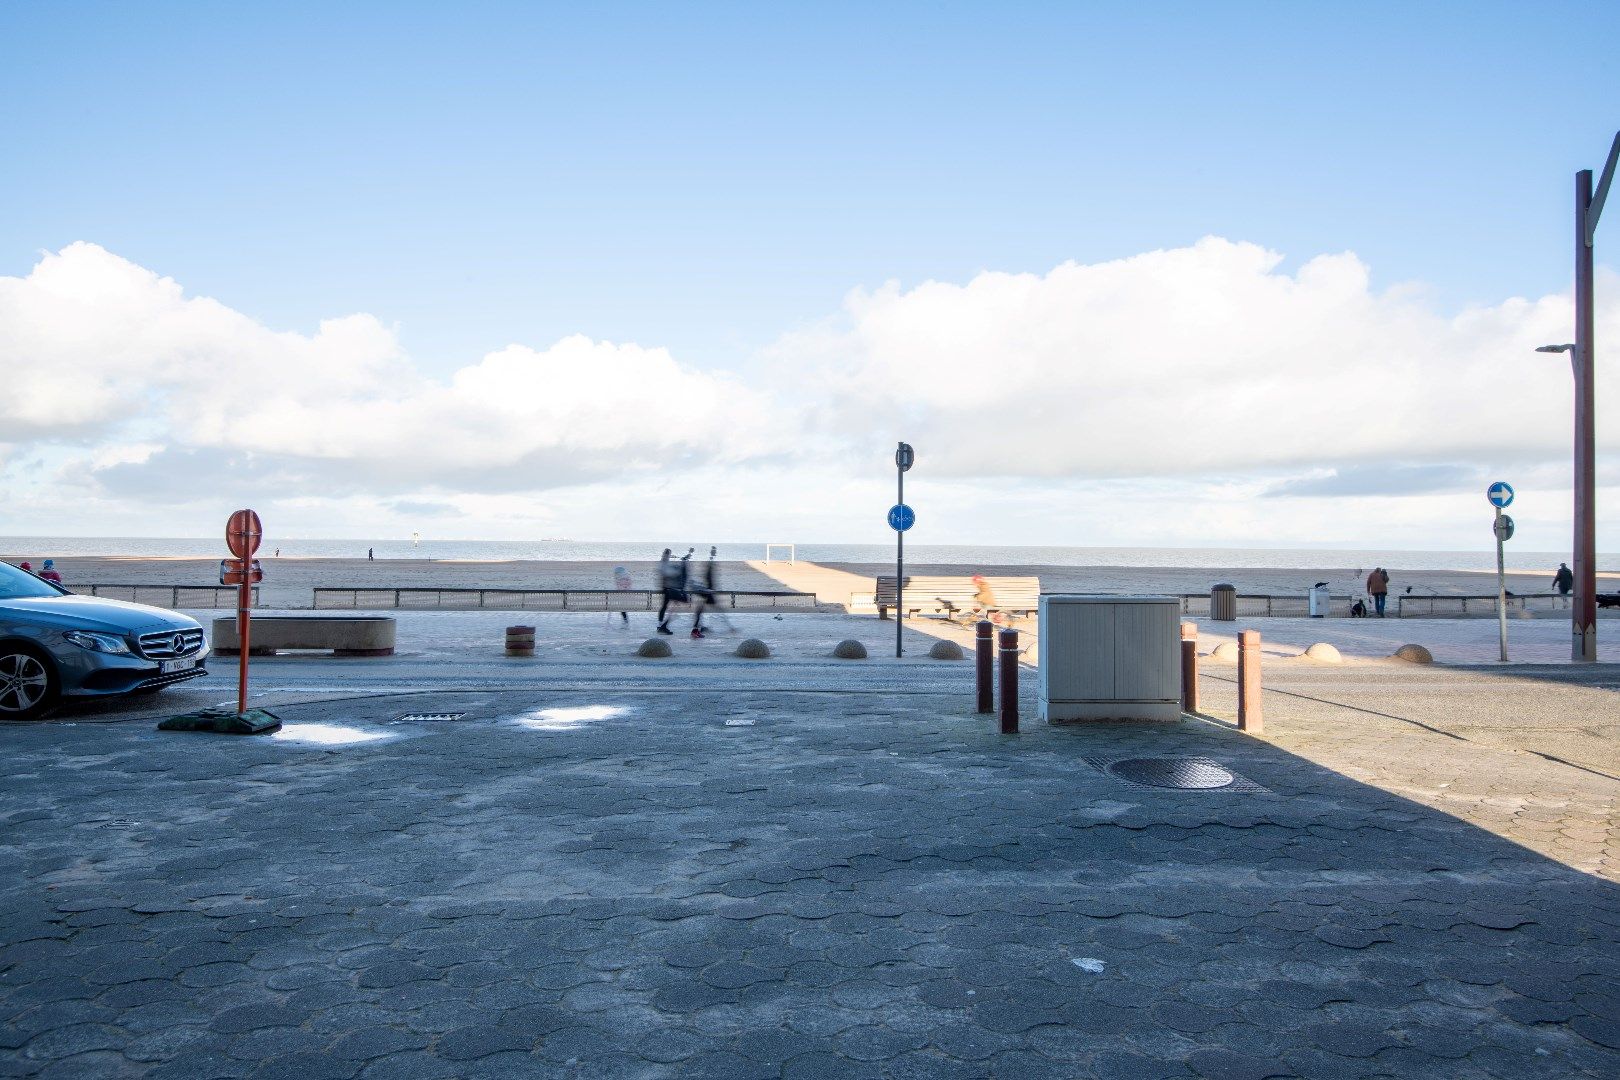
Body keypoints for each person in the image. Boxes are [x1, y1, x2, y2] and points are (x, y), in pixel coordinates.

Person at [690, 547, 719, 637]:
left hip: (706, 590)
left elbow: (707, 576)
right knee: (700, 611)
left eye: (715, 551)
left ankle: (699, 628)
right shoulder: (710, 561)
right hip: (706, 590)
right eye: (714, 551)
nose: (715, 553)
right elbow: (707, 576)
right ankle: (695, 631)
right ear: (712, 552)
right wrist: (708, 589)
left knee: (700, 610)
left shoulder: (711, 561)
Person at [656, 549, 686, 634]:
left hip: (668, 588)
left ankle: (662, 625)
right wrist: (677, 570)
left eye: (669, 554)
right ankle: (662, 626)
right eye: (668, 554)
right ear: (665, 554)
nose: (668, 556)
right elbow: (667, 573)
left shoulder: (665, 562)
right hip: (667, 588)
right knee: (666, 606)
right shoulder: (663, 563)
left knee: (666, 606)